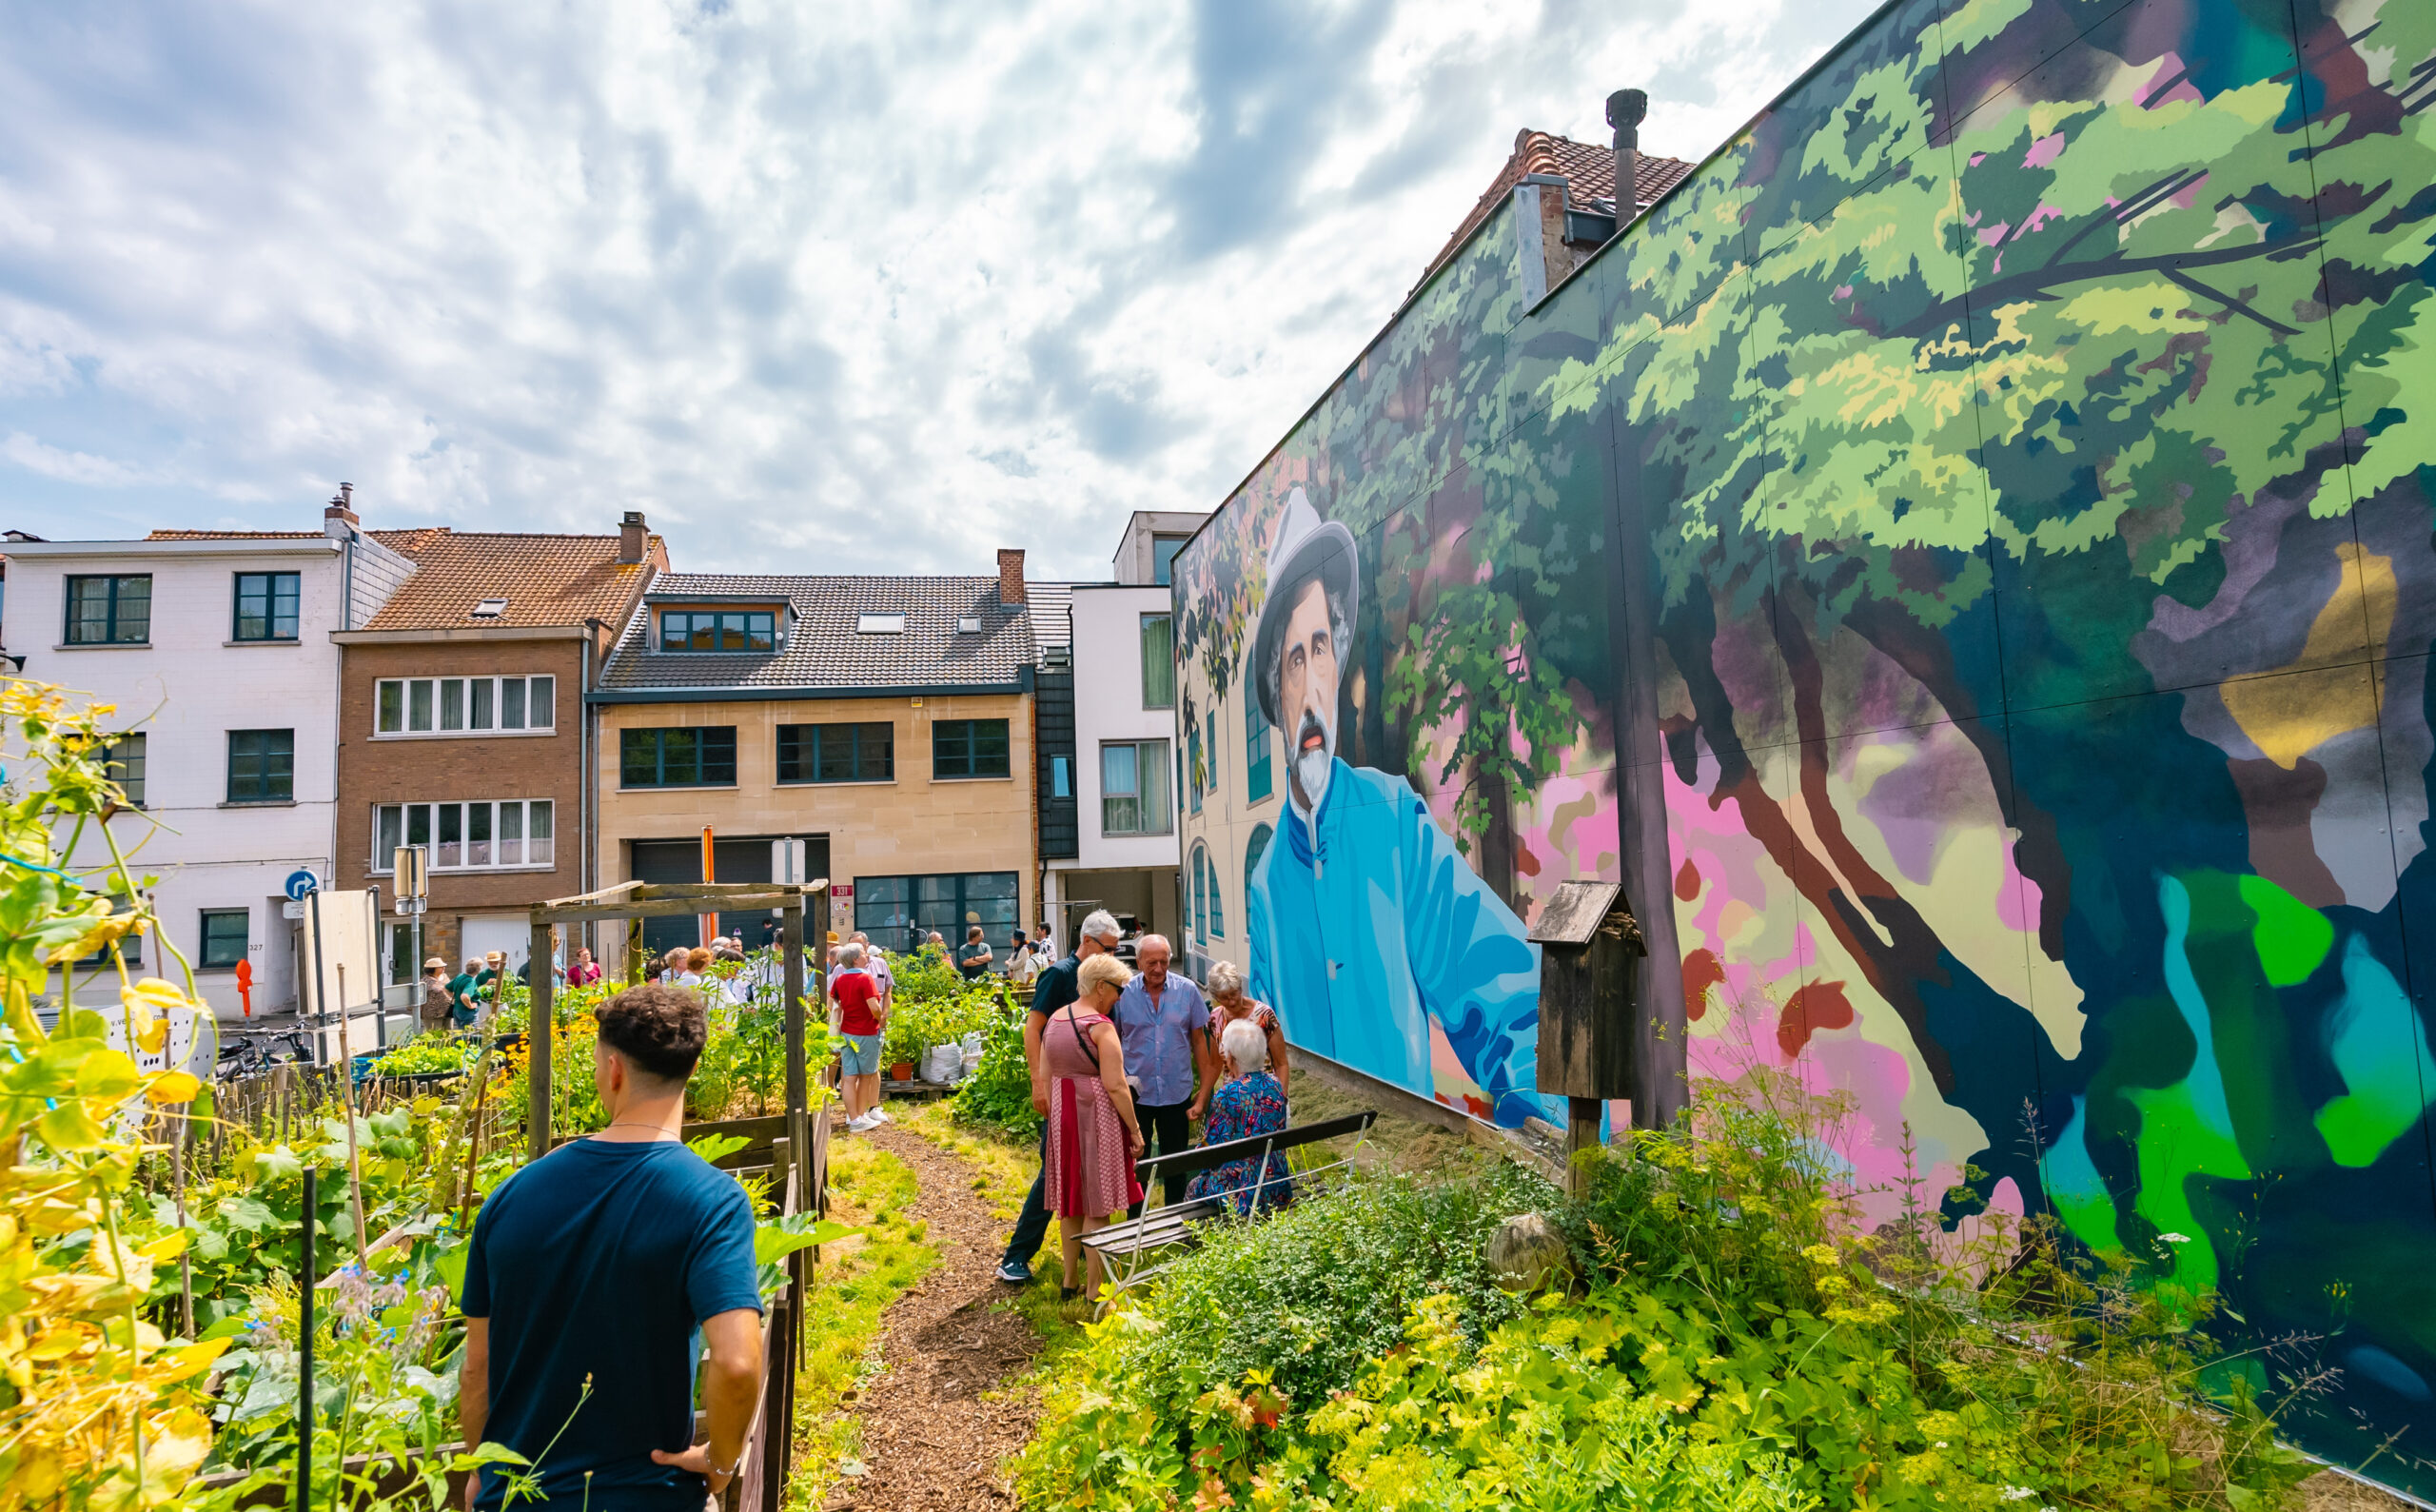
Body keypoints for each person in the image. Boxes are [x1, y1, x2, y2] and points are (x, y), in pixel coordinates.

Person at [1245, 486, 1542, 1124]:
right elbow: (1266, 1046)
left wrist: (1547, 1134)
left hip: (1402, 1192)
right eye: (1295, 660)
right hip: (1312, 1186)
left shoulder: (1391, 819)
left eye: (1320, 646)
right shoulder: (1267, 882)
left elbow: (1505, 994)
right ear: (1278, 688)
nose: (1313, 686)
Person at [459, 983, 763, 1511]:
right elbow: (737, 1363)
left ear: (614, 1069)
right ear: (691, 1070)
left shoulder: (510, 1196)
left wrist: (480, 1471)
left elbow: (477, 1367)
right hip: (647, 1496)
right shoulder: (712, 1200)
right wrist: (719, 1463)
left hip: (517, 1497)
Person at [995, 909, 1123, 1285]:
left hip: (1091, 1096)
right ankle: (1016, 1255)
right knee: (1053, 1173)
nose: (1113, 956)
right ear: (1086, 941)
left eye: (1116, 950)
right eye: (1108, 949)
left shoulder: (1100, 979)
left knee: (1079, 1178)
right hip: (1063, 1093)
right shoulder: (1060, 974)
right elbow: (1032, 1029)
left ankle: (1086, 1257)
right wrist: (1039, 1082)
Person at [1042, 952, 1144, 1301]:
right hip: (1095, 1114)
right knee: (1097, 1205)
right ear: (1101, 987)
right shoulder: (1100, 1025)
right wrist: (1134, 1129)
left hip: (1063, 1116)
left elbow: (1046, 1077)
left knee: (1071, 1202)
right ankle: (1094, 1287)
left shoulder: (1055, 1020)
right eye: (1118, 989)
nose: (1119, 996)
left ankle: (1069, 1281)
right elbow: (1115, 1084)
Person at [1109, 934, 1211, 1215]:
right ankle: (1135, 1221)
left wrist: (1203, 1093)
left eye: (1164, 962)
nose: (1158, 968)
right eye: (1151, 962)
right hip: (1135, 1093)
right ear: (1138, 961)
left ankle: (1175, 1219)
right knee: (1137, 1160)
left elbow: (1200, 1042)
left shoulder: (1187, 990)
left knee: (1175, 1161)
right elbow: (1112, 1040)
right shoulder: (1122, 993)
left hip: (1176, 1091)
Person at [1184, 1019, 1295, 1216]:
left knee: (1195, 1186)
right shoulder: (1276, 1086)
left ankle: (1192, 1245)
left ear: (1230, 1057)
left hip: (1244, 1188)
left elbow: (1211, 1149)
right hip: (1276, 1182)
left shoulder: (1228, 1094)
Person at [1205, 960, 1289, 1095]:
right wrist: (1202, 1098)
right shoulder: (1215, 1019)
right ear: (1216, 998)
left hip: (1266, 1098)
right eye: (1225, 998)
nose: (1232, 1001)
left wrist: (1280, 1099)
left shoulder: (1265, 1016)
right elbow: (1214, 1065)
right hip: (1233, 1100)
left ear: (1240, 988)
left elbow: (1281, 1064)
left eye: (1234, 994)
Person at [829, 942, 888, 1132]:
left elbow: (834, 1004)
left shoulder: (839, 980)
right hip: (867, 1032)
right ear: (855, 959)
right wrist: (881, 1018)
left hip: (846, 1032)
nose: (866, 956)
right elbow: (874, 1007)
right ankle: (860, 1117)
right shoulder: (865, 978)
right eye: (863, 954)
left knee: (848, 1077)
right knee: (865, 1077)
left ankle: (853, 1119)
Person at [448, 958, 481, 1029]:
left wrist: (455, 998)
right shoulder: (470, 981)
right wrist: (470, 1006)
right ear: (478, 970)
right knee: (469, 1036)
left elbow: (446, 988)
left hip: (457, 1010)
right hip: (467, 1012)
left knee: (462, 1034)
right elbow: (464, 996)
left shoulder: (460, 976)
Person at [420, 957, 453, 1028]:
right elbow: (420, 998)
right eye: (440, 967)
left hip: (448, 1012)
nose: (443, 968)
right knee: (435, 1035)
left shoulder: (445, 977)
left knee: (449, 1035)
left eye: (443, 966)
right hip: (433, 1014)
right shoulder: (425, 981)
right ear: (432, 969)